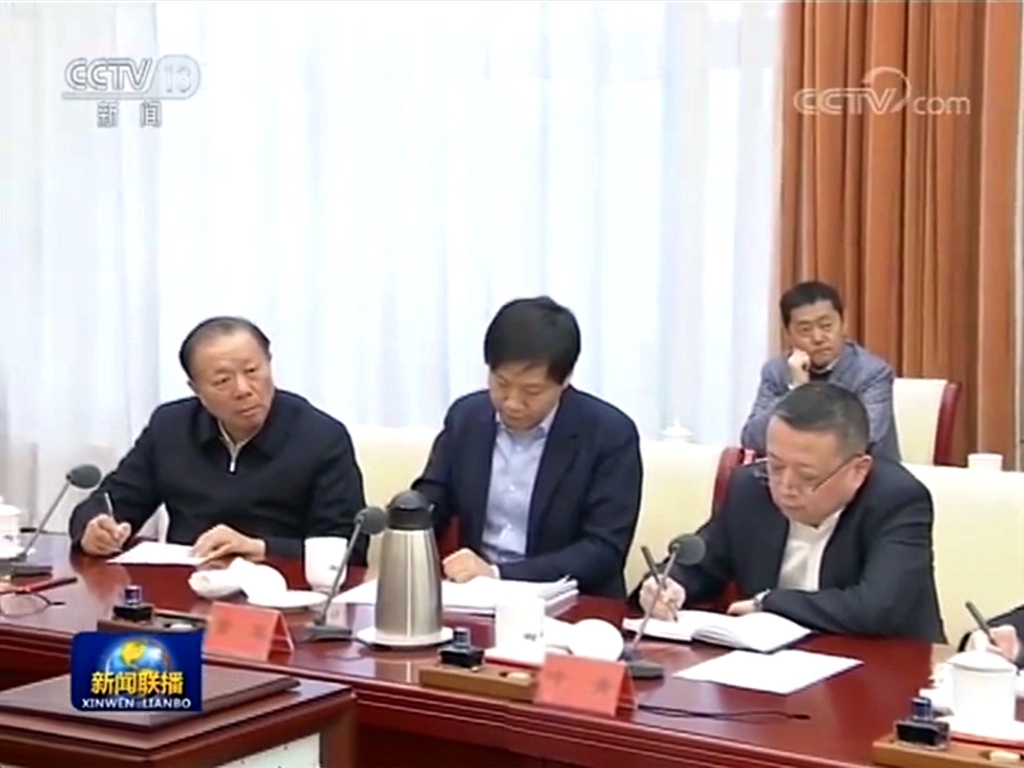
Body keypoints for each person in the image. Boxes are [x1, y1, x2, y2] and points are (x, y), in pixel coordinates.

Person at [638, 381, 945, 642]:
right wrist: (669, 584)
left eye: (807, 476)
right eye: (775, 465)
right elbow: (702, 562)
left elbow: (876, 608)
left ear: (858, 470)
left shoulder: (897, 501)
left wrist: (770, 602)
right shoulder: (751, 488)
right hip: (769, 669)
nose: (785, 486)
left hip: (885, 670)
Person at [69, 316, 367, 562]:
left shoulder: (321, 437)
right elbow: (112, 502)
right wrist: (94, 529)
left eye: (252, 371)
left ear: (269, 363)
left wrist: (259, 548)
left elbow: (349, 550)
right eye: (223, 381)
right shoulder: (170, 427)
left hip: (282, 596)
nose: (243, 389)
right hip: (183, 591)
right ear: (195, 389)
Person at [413, 296, 643, 599]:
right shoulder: (467, 418)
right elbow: (433, 498)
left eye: (531, 391)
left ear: (565, 379)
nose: (512, 403)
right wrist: (403, 533)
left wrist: (498, 574)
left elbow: (603, 550)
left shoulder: (609, 434)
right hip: (475, 599)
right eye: (501, 383)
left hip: (572, 604)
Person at [741, 281, 900, 462]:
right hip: (796, 472)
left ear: (843, 325)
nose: (818, 338)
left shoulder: (872, 373)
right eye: (805, 330)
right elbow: (753, 439)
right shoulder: (776, 371)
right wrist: (796, 389)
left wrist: (804, 398)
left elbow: (862, 440)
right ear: (788, 334)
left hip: (863, 471)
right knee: (742, 477)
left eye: (826, 326)